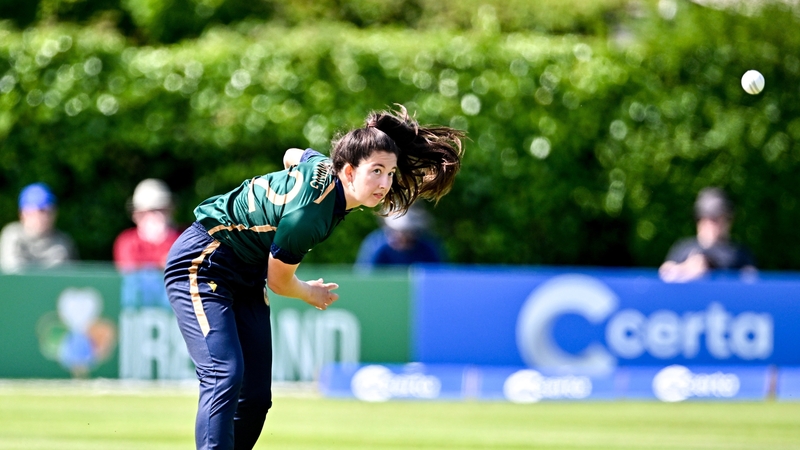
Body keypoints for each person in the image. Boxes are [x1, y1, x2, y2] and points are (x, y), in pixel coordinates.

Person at [163, 105, 464, 450]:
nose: (385, 183)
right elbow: (279, 282)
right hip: (203, 261)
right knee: (224, 375)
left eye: (390, 172)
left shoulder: (324, 166)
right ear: (348, 171)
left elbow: (294, 154)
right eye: (376, 171)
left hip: (246, 271)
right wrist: (310, 293)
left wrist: (284, 189)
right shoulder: (309, 216)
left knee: (257, 396)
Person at [659, 187, 756, 283]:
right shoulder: (683, 248)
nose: (713, 225)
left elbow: (750, 283)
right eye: (709, 219)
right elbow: (664, 274)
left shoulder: (739, 253)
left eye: (718, 219)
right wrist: (686, 268)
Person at [0, 182, 77, 272]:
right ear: (23, 213)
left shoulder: (63, 242)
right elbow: (13, 271)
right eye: (39, 211)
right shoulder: (12, 235)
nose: (43, 217)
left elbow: (69, 278)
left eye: (49, 211)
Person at [113, 178, 181, 272]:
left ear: (170, 210)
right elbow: (130, 272)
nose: (153, 217)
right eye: (144, 212)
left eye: (159, 210)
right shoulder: (127, 241)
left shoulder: (184, 239)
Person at [355, 204, 443, 268]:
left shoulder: (427, 248)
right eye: (400, 231)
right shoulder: (376, 245)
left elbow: (437, 277)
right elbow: (365, 278)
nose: (404, 236)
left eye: (408, 231)